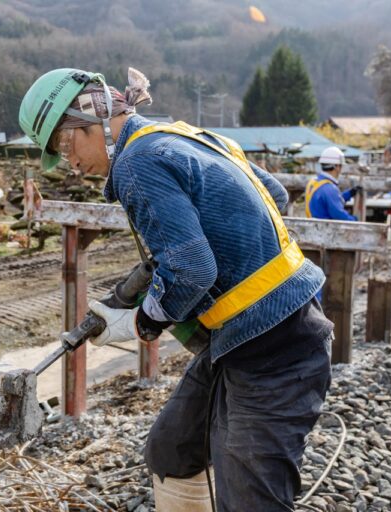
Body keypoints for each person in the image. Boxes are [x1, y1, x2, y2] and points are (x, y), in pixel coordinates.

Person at [19, 68, 334, 511]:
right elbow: (274, 195)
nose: (71, 163)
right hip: (250, 334)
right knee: (174, 450)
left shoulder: (135, 163)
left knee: (250, 498)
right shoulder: (187, 134)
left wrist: (142, 320)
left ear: (95, 116)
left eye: (66, 145)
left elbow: (190, 270)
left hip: (275, 350)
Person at [304, 147, 361, 221]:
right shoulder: (330, 188)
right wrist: (354, 220)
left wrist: (349, 194)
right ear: (336, 167)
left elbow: (331, 201)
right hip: (325, 230)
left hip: (313, 227)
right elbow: (339, 215)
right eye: (341, 165)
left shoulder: (314, 182)